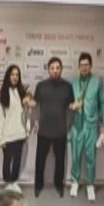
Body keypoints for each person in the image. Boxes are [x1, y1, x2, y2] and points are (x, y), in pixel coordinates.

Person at [67, 53, 104, 203]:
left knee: (90, 157)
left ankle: (90, 184)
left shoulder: (97, 82)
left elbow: (103, 104)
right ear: (78, 66)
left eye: (86, 65)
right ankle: (75, 182)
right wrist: (72, 106)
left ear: (91, 66)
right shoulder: (73, 83)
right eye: (82, 65)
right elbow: (67, 103)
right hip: (76, 125)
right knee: (76, 156)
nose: (84, 67)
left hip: (91, 125)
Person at [32, 58, 72, 198]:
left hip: (60, 131)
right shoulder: (41, 86)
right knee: (40, 161)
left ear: (61, 69)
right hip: (44, 131)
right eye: (52, 68)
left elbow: (71, 104)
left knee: (60, 162)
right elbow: (35, 103)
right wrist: (27, 101)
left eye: (57, 68)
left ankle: (59, 185)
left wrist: (76, 105)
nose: (55, 70)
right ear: (48, 69)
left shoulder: (68, 86)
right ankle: (38, 186)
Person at [0, 64, 35, 185]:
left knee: (17, 162)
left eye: (17, 75)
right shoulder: (3, 94)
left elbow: (26, 114)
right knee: (7, 163)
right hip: (8, 137)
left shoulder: (22, 93)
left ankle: (14, 183)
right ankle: (7, 184)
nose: (15, 77)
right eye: (12, 74)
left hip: (20, 135)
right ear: (8, 76)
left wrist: (27, 130)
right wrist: (0, 138)